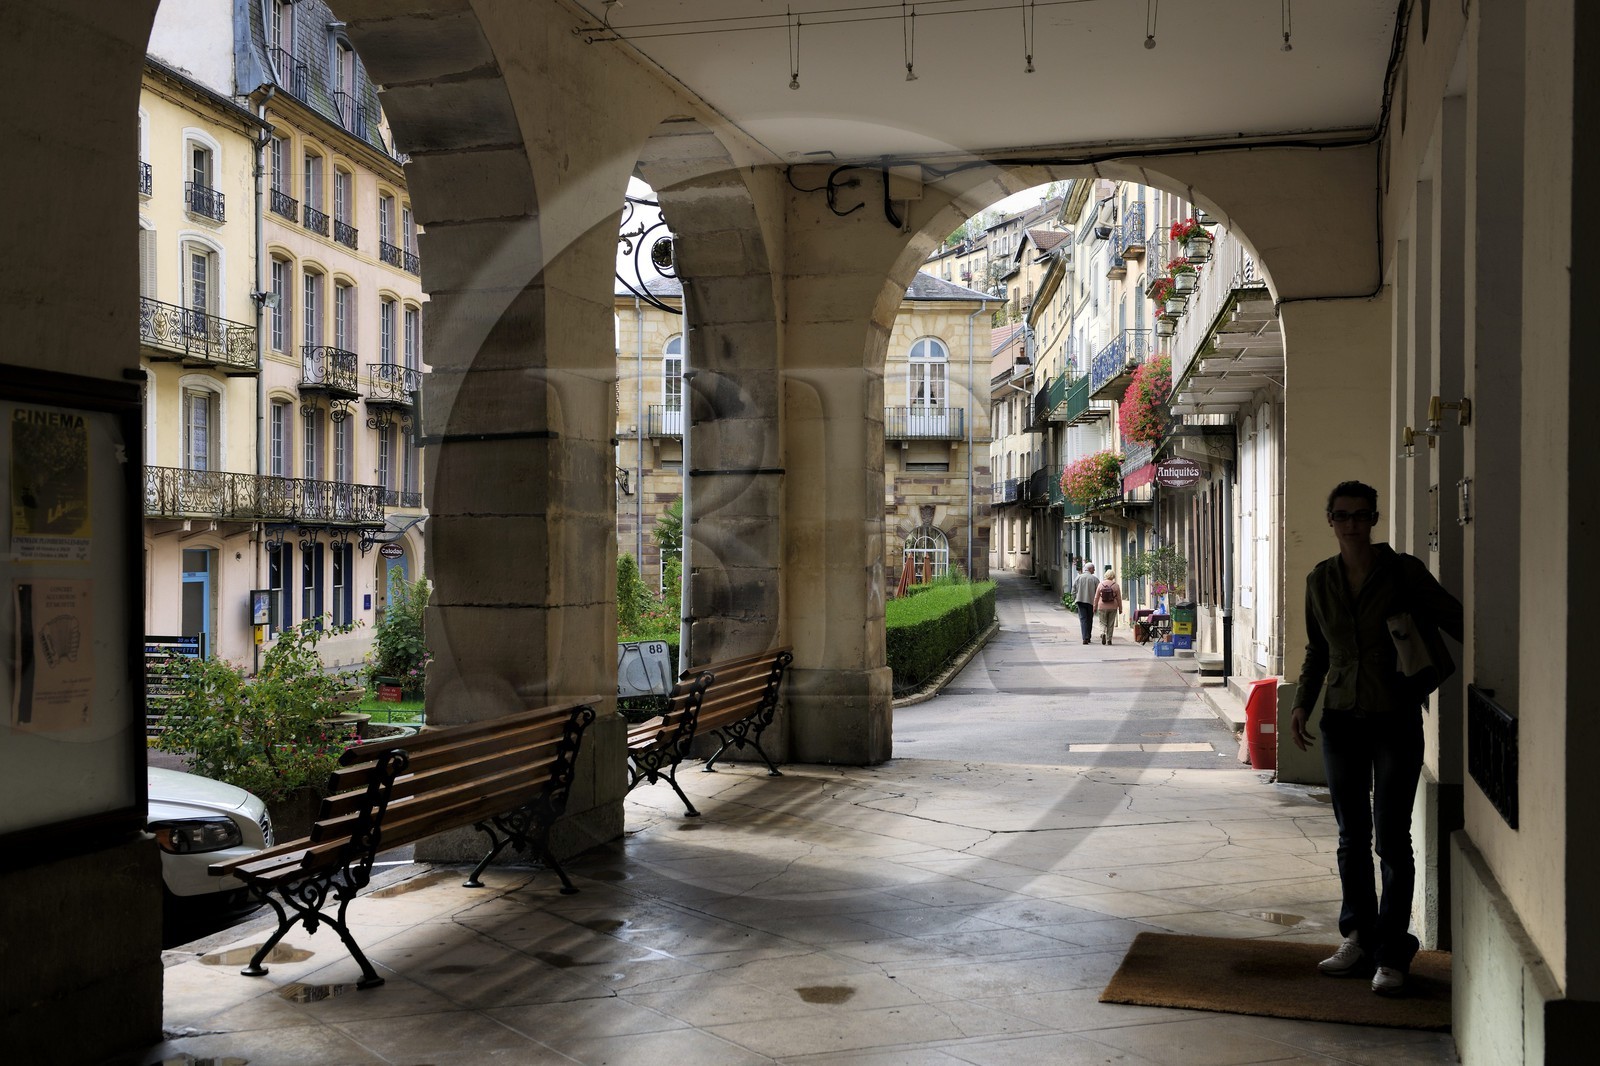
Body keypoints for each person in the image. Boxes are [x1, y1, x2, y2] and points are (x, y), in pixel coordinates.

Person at [1289, 480, 1463, 997]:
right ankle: (1358, 937)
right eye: (1342, 515)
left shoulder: (1402, 571)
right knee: (1350, 836)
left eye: (1362, 515)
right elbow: (1317, 650)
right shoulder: (1320, 580)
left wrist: (1414, 646)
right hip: (1341, 716)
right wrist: (1302, 702)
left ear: (1374, 518)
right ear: (1331, 520)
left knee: (1391, 838)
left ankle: (1392, 951)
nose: (1352, 524)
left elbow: (1450, 616)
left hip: (1394, 715)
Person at [1072, 564, 1099, 645]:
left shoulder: (1078, 577)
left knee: (1083, 619)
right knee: (1089, 619)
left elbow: (1073, 589)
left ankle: (1085, 637)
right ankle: (1088, 636)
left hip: (1080, 601)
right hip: (1091, 602)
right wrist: (1097, 603)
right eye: (1093, 568)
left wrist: (1074, 599)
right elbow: (1098, 592)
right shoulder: (1094, 579)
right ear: (1090, 569)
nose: (1094, 570)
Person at [1094, 568, 1123, 644]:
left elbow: (1096, 597)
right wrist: (1120, 608)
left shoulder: (1100, 584)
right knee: (1111, 623)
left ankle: (1102, 632)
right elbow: (1119, 598)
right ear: (1113, 576)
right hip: (1113, 606)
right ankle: (1109, 639)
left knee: (1102, 622)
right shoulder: (1116, 585)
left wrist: (1094, 607)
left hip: (1102, 606)